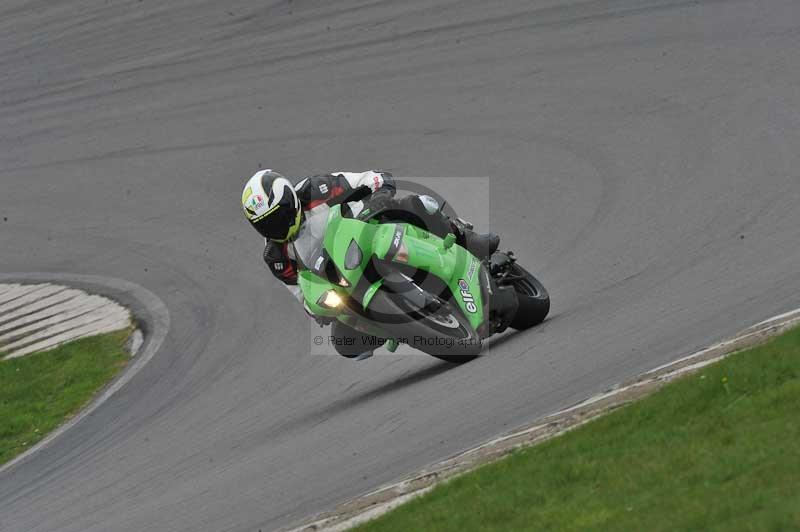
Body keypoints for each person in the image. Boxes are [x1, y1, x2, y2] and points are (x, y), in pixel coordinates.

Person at [241, 169, 498, 358]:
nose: (275, 226)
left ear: (290, 200)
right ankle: (409, 330)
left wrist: (379, 195)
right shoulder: (276, 257)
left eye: (278, 215)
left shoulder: (315, 188)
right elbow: (301, 293)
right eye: (265, 224)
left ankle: (467, 238)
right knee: (344, 342)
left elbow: (372, 178)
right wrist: (317, 307)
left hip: (367, 229)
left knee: (414, 205)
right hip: (342, 278)